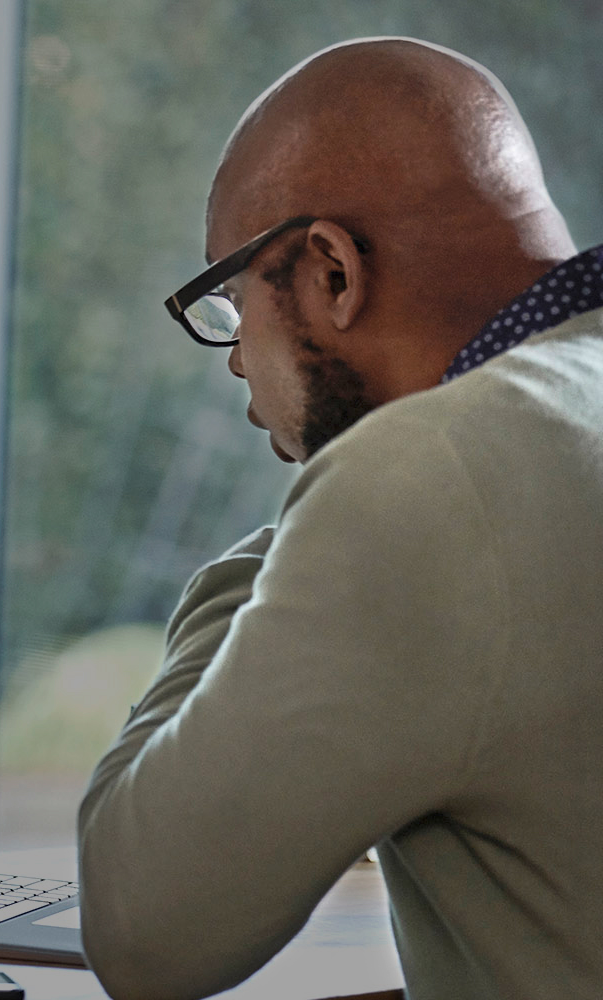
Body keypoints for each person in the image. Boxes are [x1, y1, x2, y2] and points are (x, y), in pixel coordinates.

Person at [78, 37, 603, 999]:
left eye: (233, 303)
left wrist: (290, 534)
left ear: (330, 271)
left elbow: (142, 933)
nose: (237, 362)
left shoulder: (424, 484)